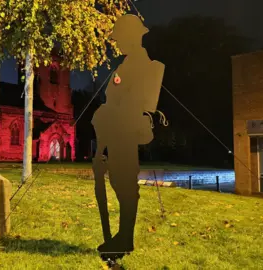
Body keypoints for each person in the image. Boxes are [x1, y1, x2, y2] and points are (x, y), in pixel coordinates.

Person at [91, 14, 165, 260]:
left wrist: (109, 112)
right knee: (119, 184)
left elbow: (127, 100)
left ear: (132, 37)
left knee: (125, 186)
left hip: (125, 129)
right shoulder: (127, 64)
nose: (117, 43)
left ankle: (124, 240)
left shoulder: (138, 64)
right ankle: (122, 238)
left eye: (120, 38)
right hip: (117, 128)